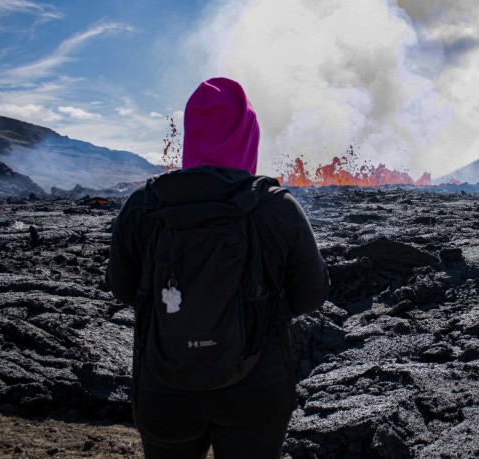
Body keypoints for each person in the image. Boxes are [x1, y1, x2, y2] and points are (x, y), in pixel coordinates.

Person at [106, 77, 330, 458]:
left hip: (165, 386)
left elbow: (122, 289)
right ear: (249, 138)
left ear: (191, 137)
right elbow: (311, 296)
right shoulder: (276, 208)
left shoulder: (144, 205)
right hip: (256, 388)